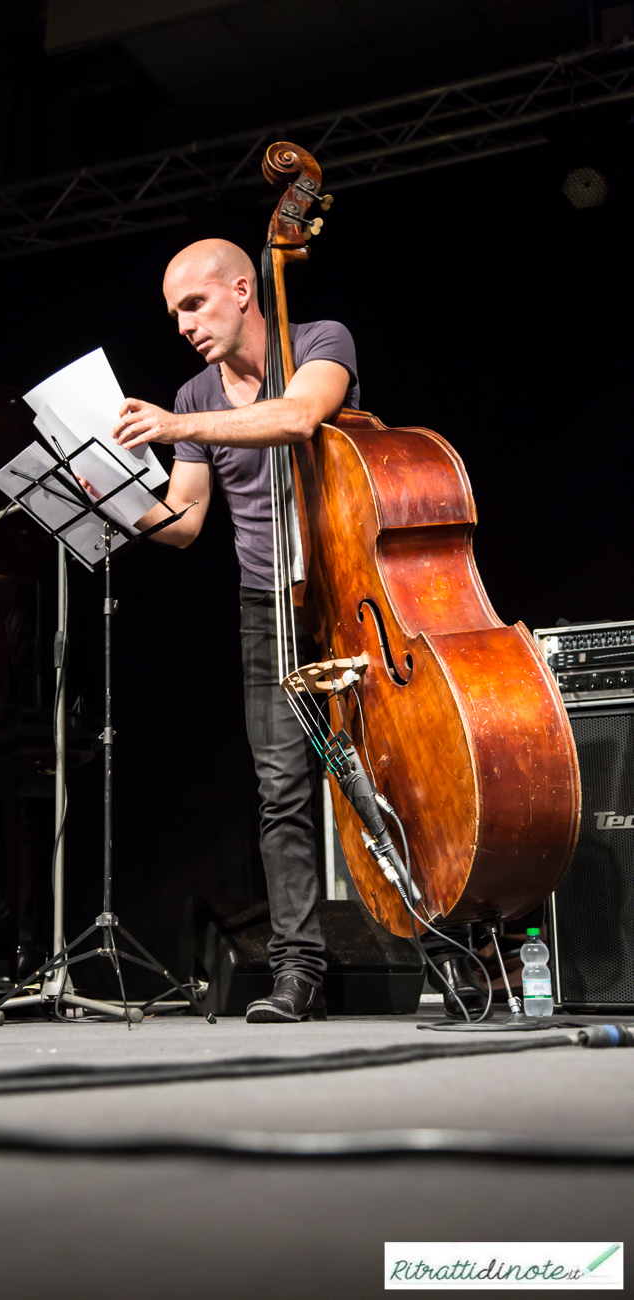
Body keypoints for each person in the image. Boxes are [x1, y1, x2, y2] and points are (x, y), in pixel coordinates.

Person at [110, 238, 481, 1023]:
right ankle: (295, 975)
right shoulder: (194, 392)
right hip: (265, 608)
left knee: (398, 771)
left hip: (354, 595)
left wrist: (181, 423)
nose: (182, 325)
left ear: (243, 290)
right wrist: (108, 501)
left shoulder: (318, 341)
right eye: (173, 313)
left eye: (193, 304)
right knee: (279, 792)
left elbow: (298, 417)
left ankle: (448, 948)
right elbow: (184, 521)